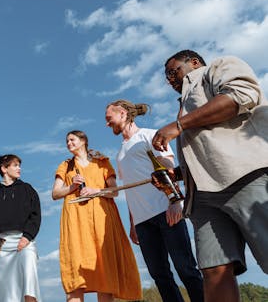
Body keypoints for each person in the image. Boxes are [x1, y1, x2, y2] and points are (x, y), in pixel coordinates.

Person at [152, 50, 268, 302]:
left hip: (245, 176)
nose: (171, 79)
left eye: (174, 72)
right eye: (167, 77)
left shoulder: (217, 68)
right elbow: (206, 150)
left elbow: (241, 95)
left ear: (194, 62)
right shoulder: (183, 106)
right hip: (203, 198)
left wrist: (180, 125)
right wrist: (177, 174)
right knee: (214, 270)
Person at [105, 100, 203, 302]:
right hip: (143, 223)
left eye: (109, 118)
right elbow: (131, 191)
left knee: (186, 268)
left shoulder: (149, 136)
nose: (107, 124)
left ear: (122, 113)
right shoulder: (120, 154)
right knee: (160, 276)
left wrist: (175, 201)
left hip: (166, 210)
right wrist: (133, 224)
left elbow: (169, 167)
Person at [51, 130, 142, 302]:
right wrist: (72, 187)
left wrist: (95, 191)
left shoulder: (102, 162)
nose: (69, 143)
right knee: (76, 274)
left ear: (83, 140)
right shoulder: (65, 165)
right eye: (67, 141)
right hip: (76, 221)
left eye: (72, 140)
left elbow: (114, 191)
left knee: (104, 270)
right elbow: (55, 193)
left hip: (101, 219)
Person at [0, 154, 42, 302]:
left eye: (19, 165)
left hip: (23, 241)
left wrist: (27, 237)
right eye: (15, 165)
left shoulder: (27, 189)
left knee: (29, 283)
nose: (19, 168)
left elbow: (35, 215)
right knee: (8, 295)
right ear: (4, 169)